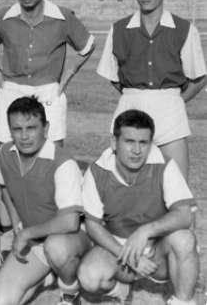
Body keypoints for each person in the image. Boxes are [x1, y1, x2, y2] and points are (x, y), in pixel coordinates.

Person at [96, 0, 206, 178]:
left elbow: (199, 78)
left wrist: (174, 101)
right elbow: (113, 76)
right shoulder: (119, 29)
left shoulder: (184, 29)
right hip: (130, 106)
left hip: (170, 112)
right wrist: (136, 95)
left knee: (176, 184)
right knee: (125, 184)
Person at [78, 109, 198, 305]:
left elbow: (185, 215)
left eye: (143, 143)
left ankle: (183, 301)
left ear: (150, 144)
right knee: (90, 278)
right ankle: (119, 289)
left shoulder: (164, 165)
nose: (136, 150)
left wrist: (146, 231)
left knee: (185, 239)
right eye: (129, 141)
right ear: (114, 143)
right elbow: (92, 225)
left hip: (157, 255)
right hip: (118, 253)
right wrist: (123, 253)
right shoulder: (97, 171)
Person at [0, 97, 89, 305]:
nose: (24, 136)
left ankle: (70, 291)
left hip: (73, 237)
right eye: (17, 129)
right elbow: (4, 185)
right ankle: (47, 272)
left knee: (57, 248)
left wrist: (25, 233)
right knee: (0, 302)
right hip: (34, 239)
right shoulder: (5, 153)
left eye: (31, 128)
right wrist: (16, 224)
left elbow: (70, 222)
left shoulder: (63, 163)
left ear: (46, 128)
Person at [0, 0, 95, 147]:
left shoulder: (62, 17)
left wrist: (67, 76)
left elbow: (87, 47)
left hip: (49, 93)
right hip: (11, 91)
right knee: (6, 155)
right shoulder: (4, 17)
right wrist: (3, 68)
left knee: (52, 157)